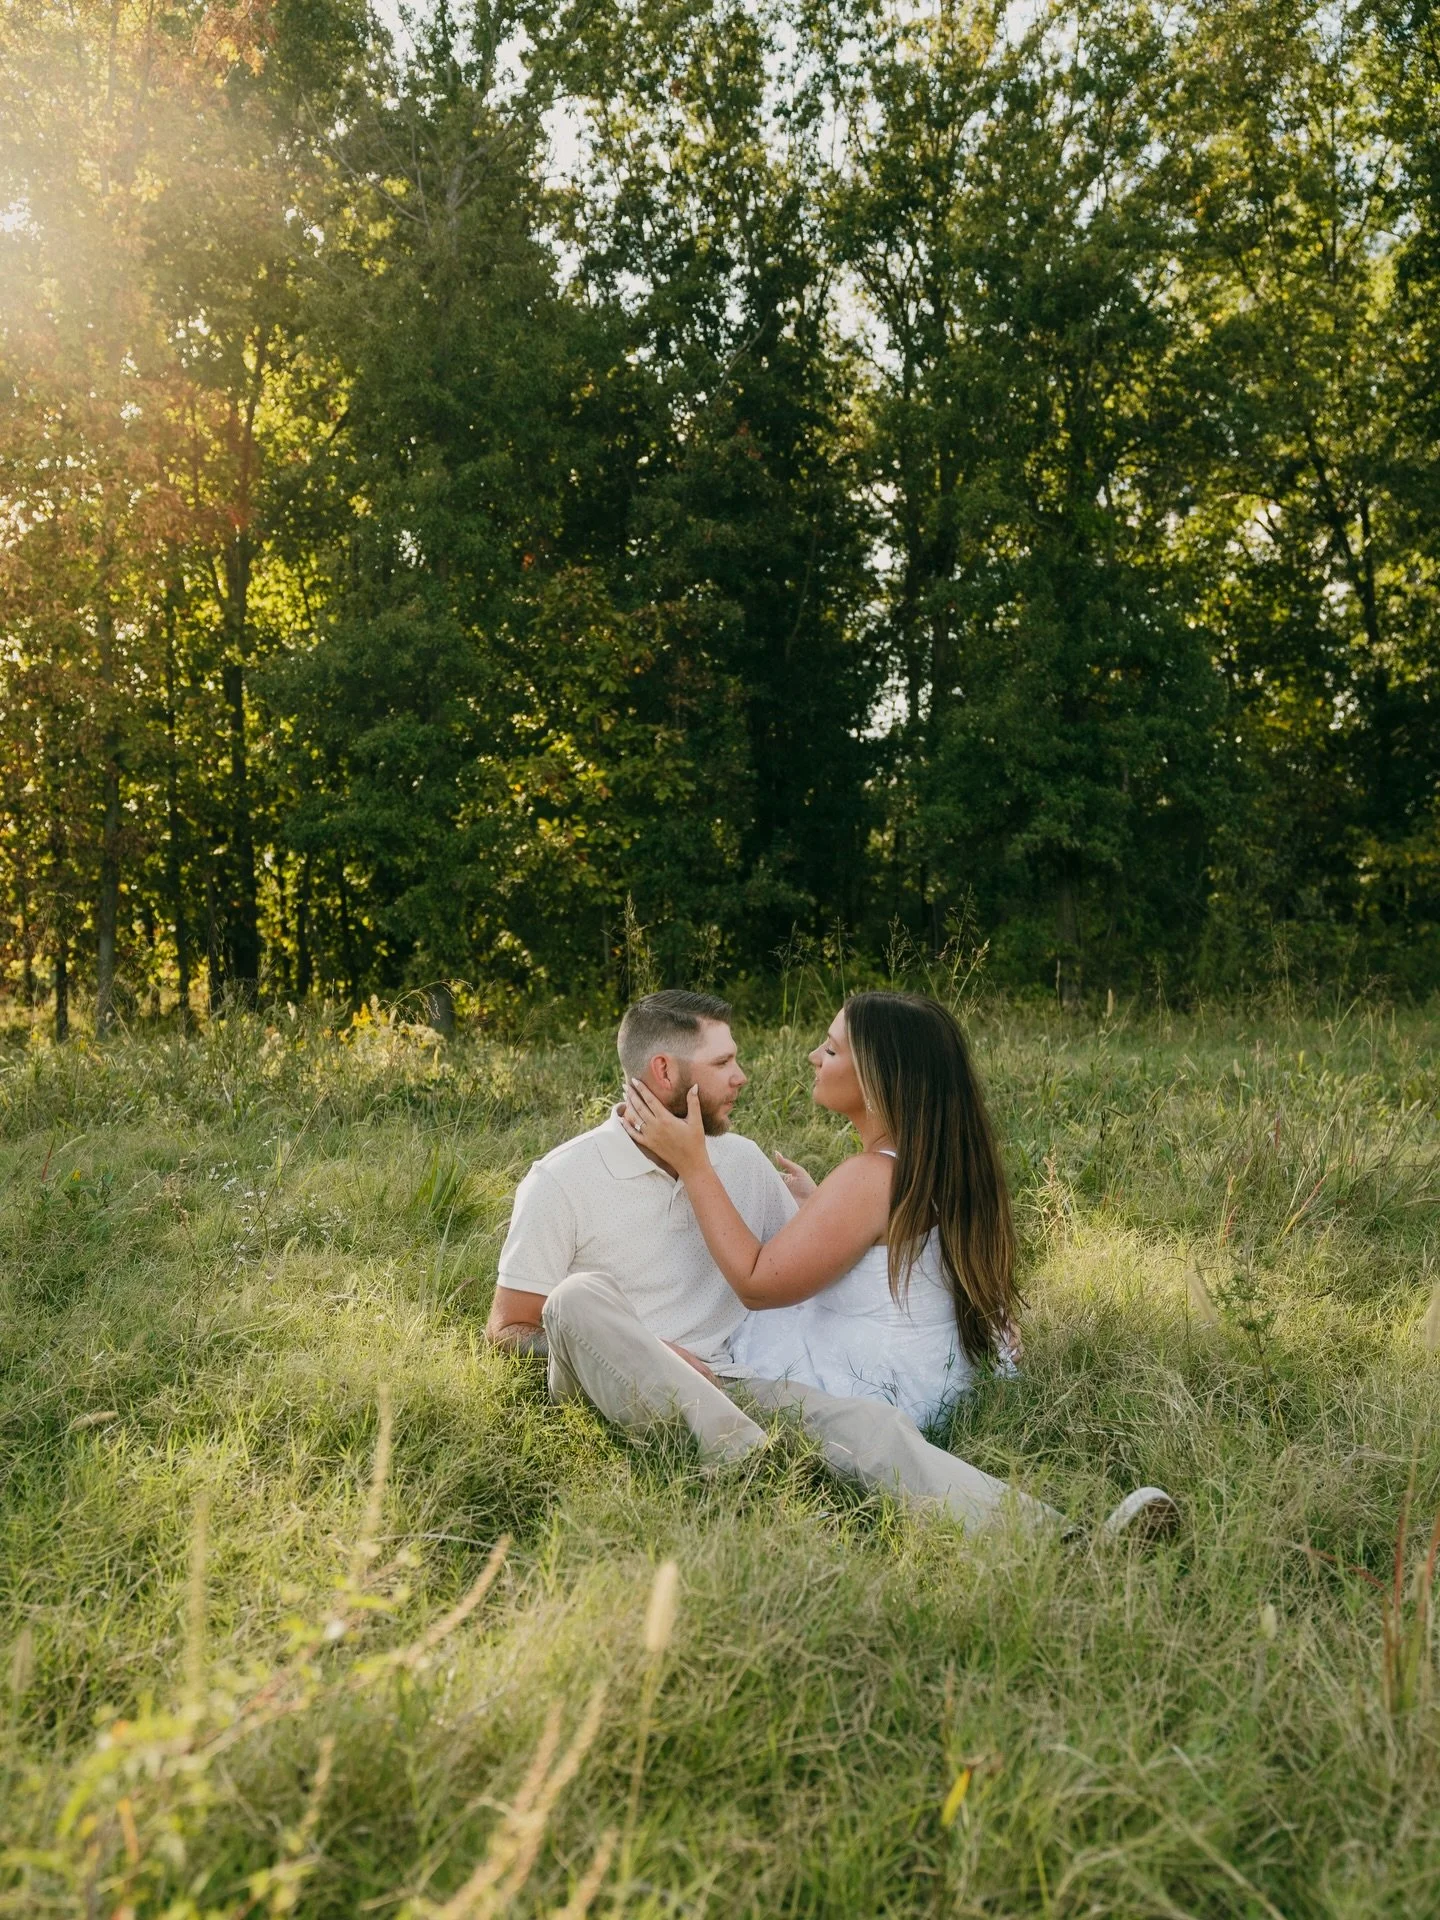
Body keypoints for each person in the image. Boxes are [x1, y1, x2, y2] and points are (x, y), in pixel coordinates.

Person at [487, 987, 1178, 1542]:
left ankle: (1070, 1544)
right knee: (575, 1297)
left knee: (875, 1430)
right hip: (625, 1385)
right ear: (665, 1071)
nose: (745, 1075)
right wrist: (649, 1351)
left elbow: (800, 1270)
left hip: (738, 1378)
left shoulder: (740, 1160)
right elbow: (507, 1331)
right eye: (725, 1062)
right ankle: (749, 1465)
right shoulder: (562, 1180)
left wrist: (980, 1313)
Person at [626, 990, 1012, 1430]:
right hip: (931, 1376)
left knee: (721, 1344)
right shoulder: (938, 1159)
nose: (813, 1056)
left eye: (830, 1049)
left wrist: (693, 1164)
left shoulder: (868, 1177)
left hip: (875, 1393)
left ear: (876, 1076)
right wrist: (821, 1208)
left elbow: (756, 1285)